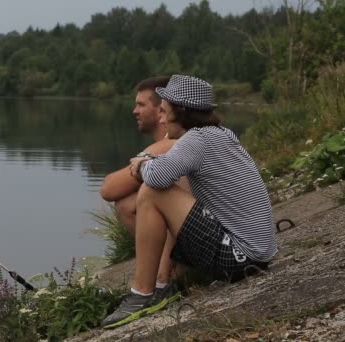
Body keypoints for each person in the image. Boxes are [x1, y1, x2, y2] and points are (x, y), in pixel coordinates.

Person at [101, 75, 278, 329]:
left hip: (240, 258)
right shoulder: (220, 134)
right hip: (255, 255)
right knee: (175, 185)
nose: (161, 119)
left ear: (181, 111)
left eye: (164, 111)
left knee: (152, 192)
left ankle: (141, 295)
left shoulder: (196, 140)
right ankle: (161, 284)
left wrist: (140, 165)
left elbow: (157, 177)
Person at [100, 76, 189, 292]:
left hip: (206, 237)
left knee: (149, 194)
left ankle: (164, 278)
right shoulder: (177, 141)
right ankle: (167, 273)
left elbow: (108, 189)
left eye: (141, 104)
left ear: (161, 111)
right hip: (202, 229)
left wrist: (141, 168)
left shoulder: (172, 143)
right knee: (128, 204)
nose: (134, 111)